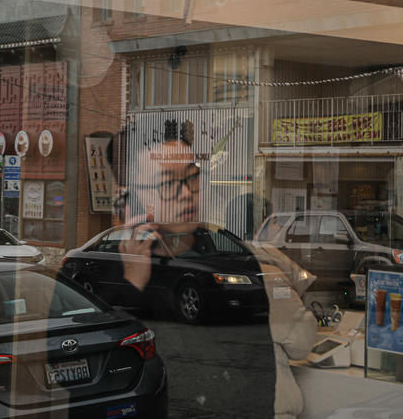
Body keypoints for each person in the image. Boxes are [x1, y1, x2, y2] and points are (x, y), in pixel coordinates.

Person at [116, 138, 317, 419]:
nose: (186, 195)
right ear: (267, 223)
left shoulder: (160, 272)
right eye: (168, 186)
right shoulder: (265, 273)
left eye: (192, 179)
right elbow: (301, 344)